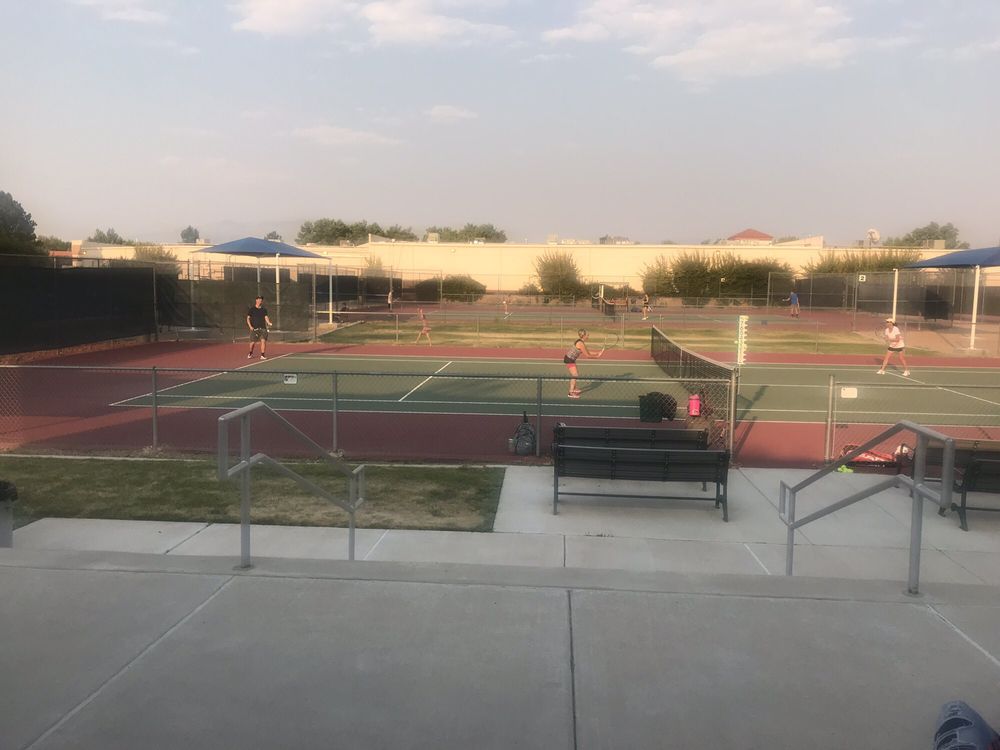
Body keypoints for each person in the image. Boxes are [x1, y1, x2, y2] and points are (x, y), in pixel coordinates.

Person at [563, 328, 603, 398]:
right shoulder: (580, 343)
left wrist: (597, 353)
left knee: (574, 374)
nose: (588, 336)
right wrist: (597, 357)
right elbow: (588, 356)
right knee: (575, 375)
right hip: (569, 359)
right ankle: (571, 392)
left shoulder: (581, 342)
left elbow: (588, 352)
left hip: (570, 359)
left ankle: (574, 389)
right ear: (583, 336)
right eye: (587, 335)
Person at [246, 295, 273, 359]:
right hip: (254, 329)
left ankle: (262, 355)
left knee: (263, 341)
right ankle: (250, 353)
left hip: (263, 328)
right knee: (252, 343)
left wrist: (268, 322)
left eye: (261, 299)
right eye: (259, 299)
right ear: (256, 300)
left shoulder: (264, 310)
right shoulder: (252, 309)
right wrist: (250, 326)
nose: (260, 300)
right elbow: (248, 318)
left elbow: (266, 317)